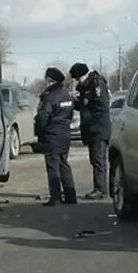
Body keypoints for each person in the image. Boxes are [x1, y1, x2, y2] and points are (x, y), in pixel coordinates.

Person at [35, 67, 77, 206]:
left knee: (53, 166)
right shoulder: (66, 95)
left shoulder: (49, 96)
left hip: (52, 134)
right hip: (65, 133)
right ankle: (71, 196)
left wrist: (40, 133)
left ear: (50, 81)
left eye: (46, 80)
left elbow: (42, 117)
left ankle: (56, 197)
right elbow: (70, 114)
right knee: (64, 164)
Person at [69, 62, 110, 200]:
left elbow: (100, 106)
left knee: (99, 160)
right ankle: (98, 187)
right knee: (94, 160)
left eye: (78, 79)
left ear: (84, 75)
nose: (77, 82)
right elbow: (83, 106)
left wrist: (91, 122)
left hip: (98, 129)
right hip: (91, 130)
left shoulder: (96, 84)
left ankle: (101, 189)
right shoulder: (85, 87)